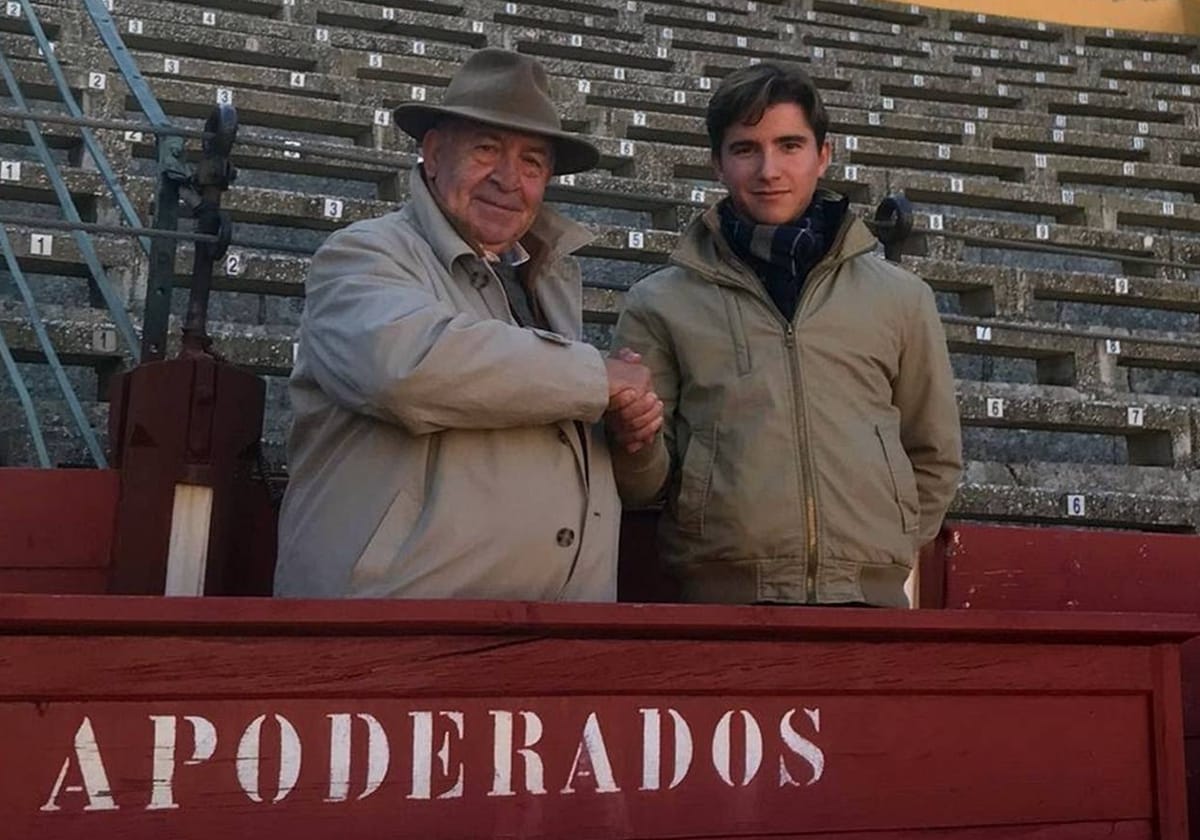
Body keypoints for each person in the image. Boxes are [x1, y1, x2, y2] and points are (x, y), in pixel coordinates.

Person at [275, 49, 662, 600]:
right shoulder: (362, 254)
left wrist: (633, 438)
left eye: (532, 163)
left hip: (548, 643)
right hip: (397, 634)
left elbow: (632, 482)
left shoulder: (546, 280)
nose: (509, 180)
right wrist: (600, 379)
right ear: (432, 154)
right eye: (486, 150)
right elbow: (404, 367)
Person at [609, 62, 962, 607]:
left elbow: (933, 452)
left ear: (823, 154)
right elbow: (645, 484)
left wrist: (878, 548)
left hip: (869, 605)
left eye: (790, 145)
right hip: (720, 604)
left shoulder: (902, 297)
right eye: (746, 149)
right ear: (717, 164)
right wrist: (633, 440)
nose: (769, 169)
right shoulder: (660, 302)